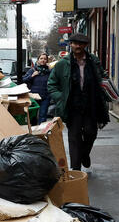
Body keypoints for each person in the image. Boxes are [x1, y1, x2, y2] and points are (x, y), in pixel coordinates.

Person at [47, 34, 109, 170]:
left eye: (81, 44)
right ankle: (76, 171)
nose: (78, 46)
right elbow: (52, 84)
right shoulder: (63, 63)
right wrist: (60, 98)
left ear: (86, 45)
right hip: (72, 106)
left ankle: (84, 154)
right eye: (75, 43)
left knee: (91, 133)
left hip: (91, 104)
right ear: (71, 45)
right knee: (74, 138)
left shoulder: (93, 61)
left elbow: (103, 78)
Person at [22, 53, 52, 123]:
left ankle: (41, 132)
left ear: (47, 61)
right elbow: (23, 80)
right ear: (38, 60)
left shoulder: (50, 71)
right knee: (32, 116)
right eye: (41, 58)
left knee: (43, 115)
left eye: (45, 59)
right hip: (34, 96)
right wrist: (32, 76)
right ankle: (32, 131)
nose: (43, 60)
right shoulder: (32, 70)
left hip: (45, 96)